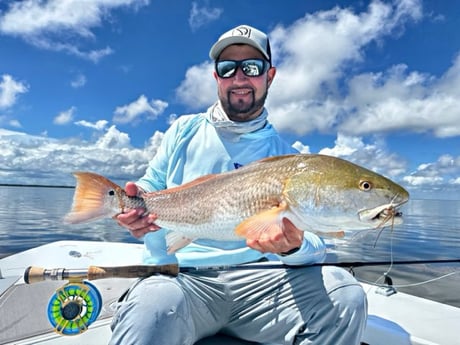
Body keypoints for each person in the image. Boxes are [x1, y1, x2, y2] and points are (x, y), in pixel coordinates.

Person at [110, 24, 367, 345]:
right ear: (216, 77)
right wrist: (133, 208)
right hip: (183, 278)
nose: (239, 77)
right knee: (151, 307)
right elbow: (150, 187)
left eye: (252, 67)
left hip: (264, 283)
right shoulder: (183, 130)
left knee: (346, 295)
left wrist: (294, 247)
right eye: (227, 68)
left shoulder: (289, 158)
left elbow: (316, 246)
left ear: (269, 76)